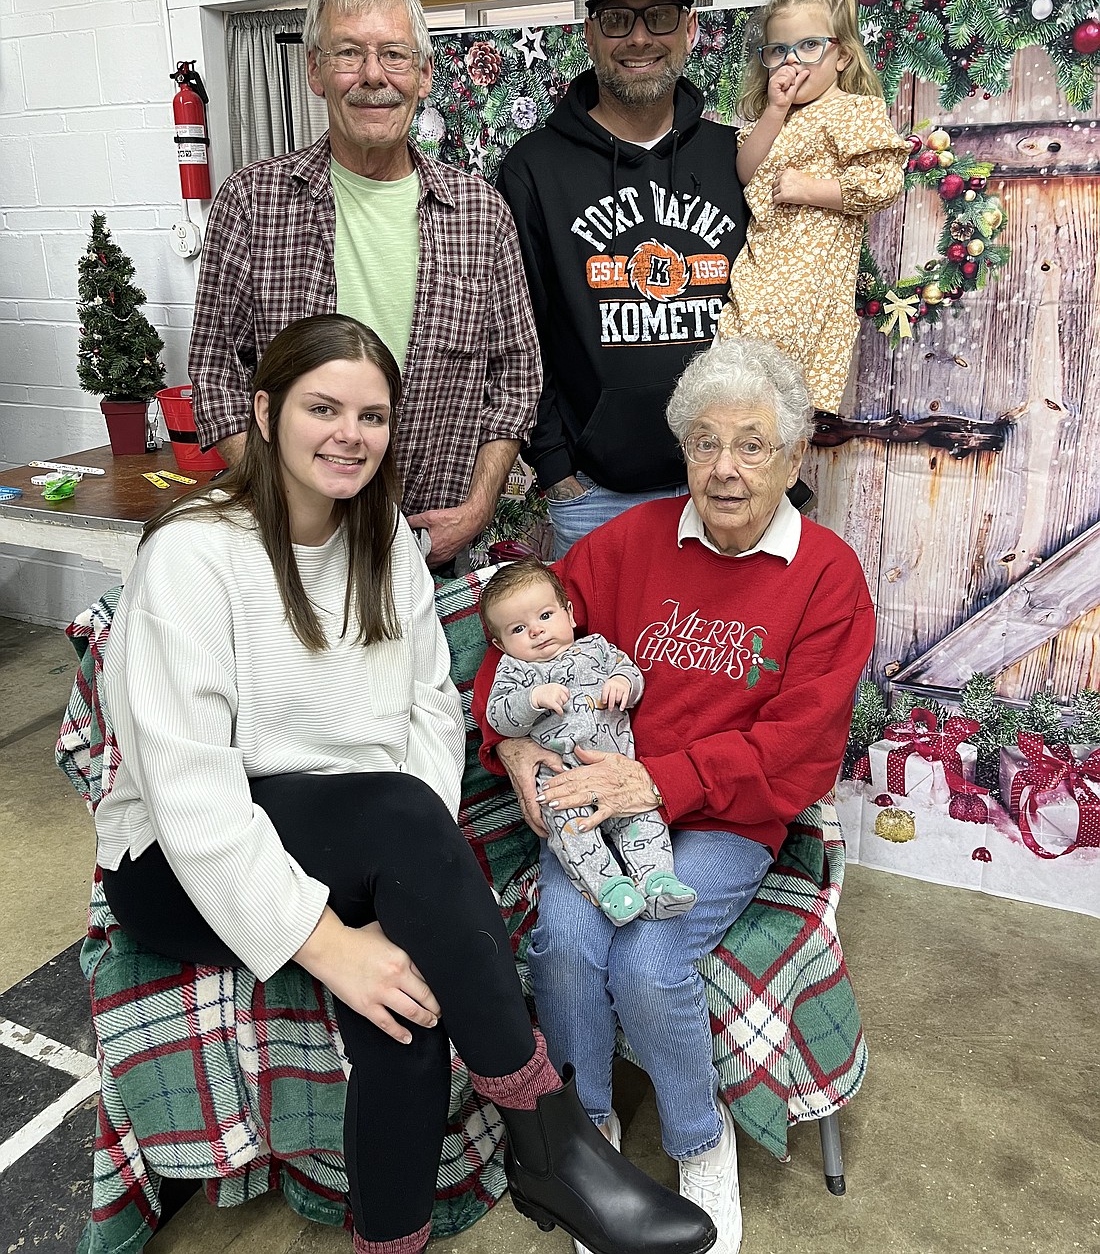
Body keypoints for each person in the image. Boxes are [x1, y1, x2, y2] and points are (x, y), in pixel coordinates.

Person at [95, 314, 714, 1254]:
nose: (350, 433)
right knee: (391, 852)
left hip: (358, 838)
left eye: (372, 416)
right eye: (323, 407)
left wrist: (401, 879)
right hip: (180, 861)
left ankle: (395, 1240)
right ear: (264, 413)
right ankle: (551, 1141)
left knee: (412, 992)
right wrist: (325, 942)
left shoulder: (382, 535)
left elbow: (429, 708)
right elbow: (187, 789)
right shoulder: (193, 553)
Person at [473, 336, 876, 1254]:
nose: (724, 470)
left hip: (730, 813)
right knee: (567, 939)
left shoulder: (827, 576)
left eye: (751, 445)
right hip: (597, 802)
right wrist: (519, 744)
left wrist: (655, 779)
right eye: (703, 443)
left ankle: (701, 1141)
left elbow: (801, 746)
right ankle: (592, 1145)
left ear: (795, 452)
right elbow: (517, 642)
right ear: (680, 447)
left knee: (647, 960)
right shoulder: (628, 544)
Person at [188, 0, 541, 569]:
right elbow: (216, 372)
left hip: (438, 553)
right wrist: (282, 502)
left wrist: (477, 508)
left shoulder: (479, 213)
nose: (373, 76)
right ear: (315, 72)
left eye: (395, 55)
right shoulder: (254, 203)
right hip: (295, 552)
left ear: (425, 75)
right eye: (349, 53)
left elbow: (516, 378)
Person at [497, 0, 747, 558]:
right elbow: (516, 325)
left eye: (659, 17)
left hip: (727, 483)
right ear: (590, 33)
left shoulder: (734, 156)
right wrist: (552, 465)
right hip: (595, 495)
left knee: (720, 655)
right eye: (617, 19)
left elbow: (781, 294)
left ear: (690, 29)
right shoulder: (535, 167)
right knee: (596, 658)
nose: (639, 38)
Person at [715, 0, 908, 415]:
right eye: (779, 51)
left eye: (808, 47)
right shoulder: (774, 116)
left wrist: (811, 189)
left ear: (840, 54)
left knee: (785, 401)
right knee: (735, 391)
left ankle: (782, 480)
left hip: (812, 286)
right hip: (759, 276)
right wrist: (775, 110)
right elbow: (746, 171)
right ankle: (757, 475)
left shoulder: (852, 111)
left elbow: (884, 182)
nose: (792, 63)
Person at [480, 558, 695, 926]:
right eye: (519, 628)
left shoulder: (597, 648)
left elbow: (632, 673)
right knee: (572, 835)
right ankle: (611, 889)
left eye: (545, 616)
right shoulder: (514, 671)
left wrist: (624, 685)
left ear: (569, 613)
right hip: (560, 780)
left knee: (642, 821)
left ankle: (658, 881)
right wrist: (531, 700)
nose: (536, 631)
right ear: (500, 644)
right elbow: (498, 715)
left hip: (619, 771)